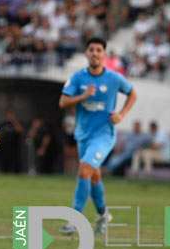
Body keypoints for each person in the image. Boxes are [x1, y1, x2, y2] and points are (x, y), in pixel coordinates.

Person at [59, 37, 137, 235]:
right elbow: (63, 102)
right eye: (91, 49)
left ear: (104, 54)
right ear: (86, 53)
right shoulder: (77, 78)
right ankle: (103, 215)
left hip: (104, 135)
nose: (95, 53)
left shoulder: (113, 78)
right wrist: (82, 97)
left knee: (84, 169)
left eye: (99, 50)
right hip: (83, 135)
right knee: (93, 176)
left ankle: (75, 219)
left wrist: (121, 114)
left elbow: (132, 94)